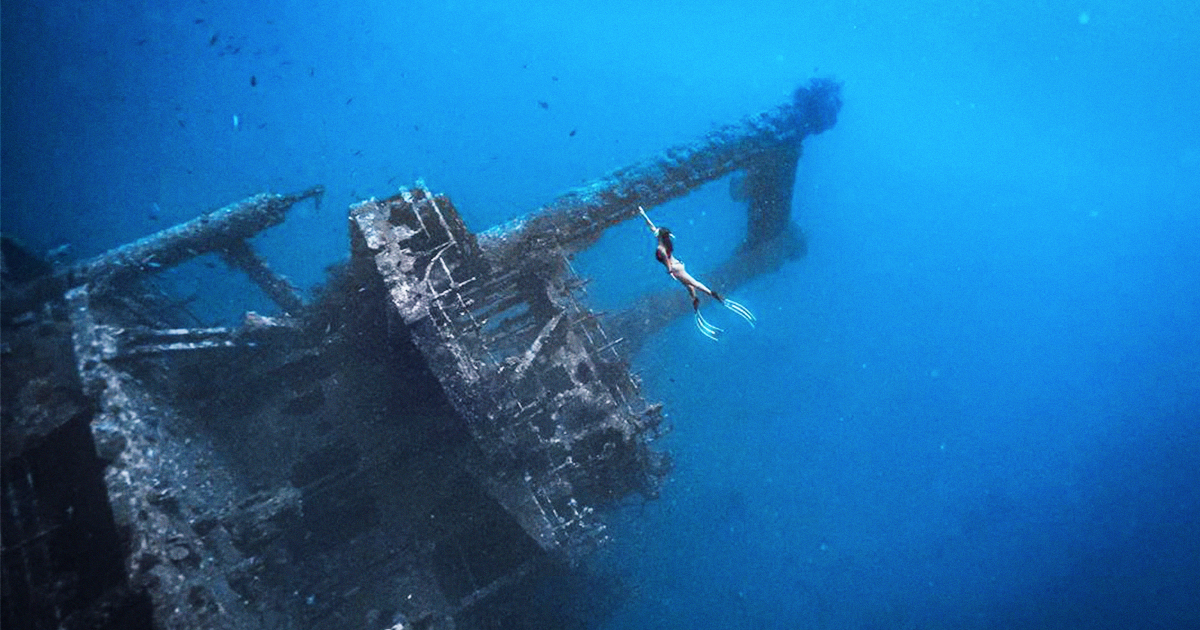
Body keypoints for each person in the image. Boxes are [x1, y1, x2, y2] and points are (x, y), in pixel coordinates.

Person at [639, 206, 755, 340]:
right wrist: (643, 214)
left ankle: (716, 296)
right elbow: (651, 226)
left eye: (657, 232)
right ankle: (696, 303)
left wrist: (670, 272)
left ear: (659, 235)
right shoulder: (662, 240)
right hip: (679, 265)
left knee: (695, 283)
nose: (655, 231)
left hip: (676, 269)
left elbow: (667, 264)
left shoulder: (660, 248)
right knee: (690, 288)